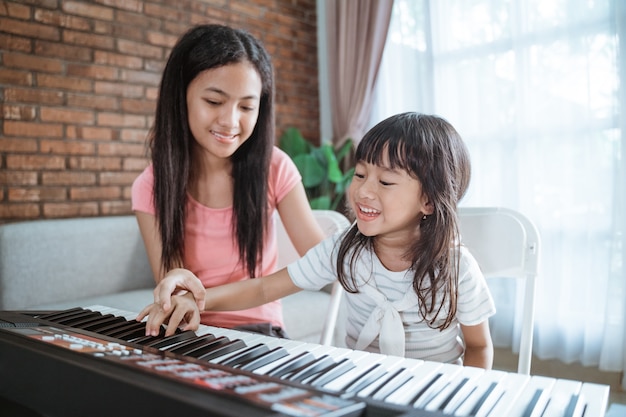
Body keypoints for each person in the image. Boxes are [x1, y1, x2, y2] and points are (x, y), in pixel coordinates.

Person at [139, 112, 496, 369]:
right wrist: (197, 300)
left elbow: (478, 347)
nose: (364, 190)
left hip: (434, 391)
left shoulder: (456, 268)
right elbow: (265, 289)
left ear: (429, 201)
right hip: (360, 385)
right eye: (359, 174)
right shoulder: (345, 248)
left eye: (386, 182)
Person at [131, 23, 325, 338]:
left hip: (258, 331)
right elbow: (175, 284)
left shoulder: (274, 168)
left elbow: (323, 260)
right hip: (189, 331)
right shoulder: (152, 184)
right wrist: (180, 293)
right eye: (214, 101)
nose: (230, 121)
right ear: (181, 97)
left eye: (247, 106)